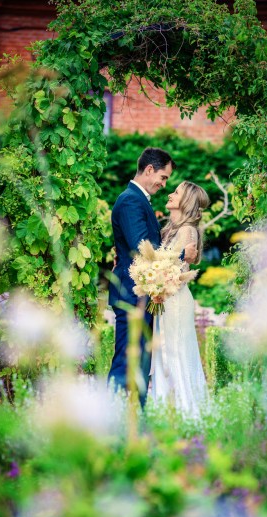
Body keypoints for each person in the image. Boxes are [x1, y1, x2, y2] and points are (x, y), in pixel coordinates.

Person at [108, 148, 198, 407]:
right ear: (149, 170)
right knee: (127, 359)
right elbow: (141, 248)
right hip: (132, 294)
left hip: (142, 294)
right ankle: (113, 416)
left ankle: (137, 418)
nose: (164, 183)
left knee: (139, 362)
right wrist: (182, 254)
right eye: (163, 176)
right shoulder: (130, 201)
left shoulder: (139, 200)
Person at [151, 180, 210, 417]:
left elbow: (179, 270)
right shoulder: (171, 229)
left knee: (174, 353)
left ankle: (187, 413)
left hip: (174, 300)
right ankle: (165, 411)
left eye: (176, 193)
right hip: (165, 298)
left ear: (185, 202)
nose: (170, 195)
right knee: (163, 354)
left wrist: (158, 283)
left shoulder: (187, 231)